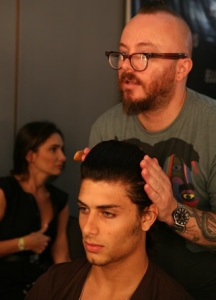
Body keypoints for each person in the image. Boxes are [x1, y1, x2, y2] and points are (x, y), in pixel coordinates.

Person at [88, 1, 216, 299]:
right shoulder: (105, 129)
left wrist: (171, 211)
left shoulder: (211, 127)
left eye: (143, 55)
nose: (126, 67)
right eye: (122, 53)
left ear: (181, 67)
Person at [25, 140, 193, 300]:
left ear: (147, 218)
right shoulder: (53, 284)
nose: (88, 229)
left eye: (107, 214)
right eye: (84, 209)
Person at [0, 121, 71, 299]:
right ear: (30, 155)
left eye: (62, 149)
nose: (62, 157)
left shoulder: (59, 200)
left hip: (41, 289)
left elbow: (61, 256)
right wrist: (23, 243)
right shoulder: (4, 191)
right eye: (53, 149)